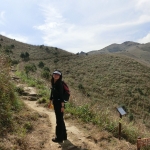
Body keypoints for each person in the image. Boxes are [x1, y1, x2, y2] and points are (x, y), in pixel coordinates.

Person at [49, 70, 67, 143]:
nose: (56, 75)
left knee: (59, 121)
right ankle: (64, 136)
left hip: (59, 104)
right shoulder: (54, 83)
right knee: (60, 119)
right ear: (53, 75)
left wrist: (62, 106)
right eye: (55, 74)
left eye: (58, 75)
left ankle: (59, 138)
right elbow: (52, 93)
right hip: (56, 103)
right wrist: (50, 102)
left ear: (60, 76)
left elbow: (62, 96)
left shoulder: (59, 84)